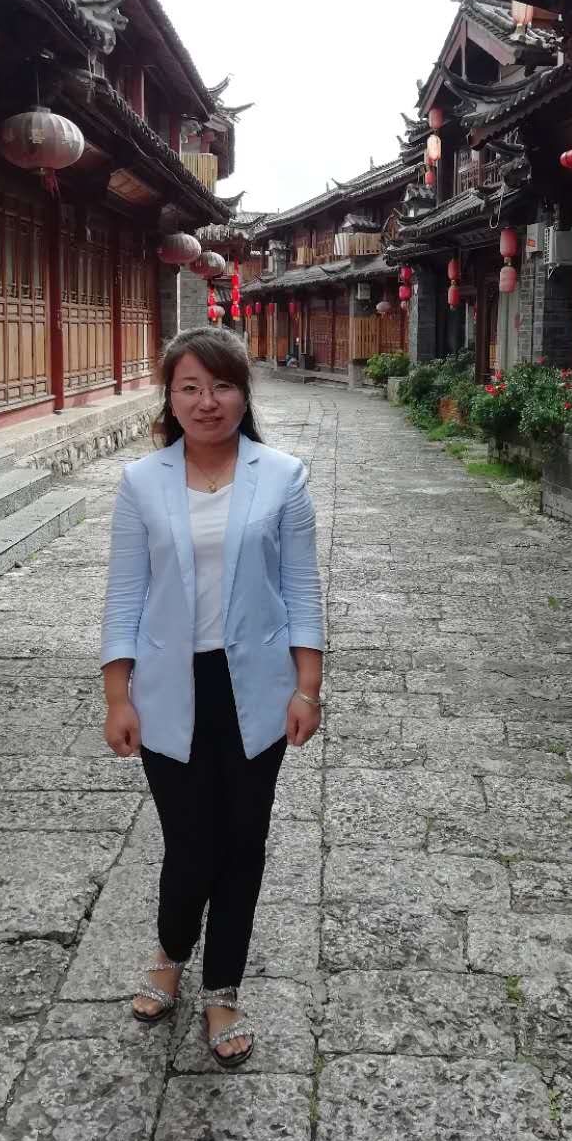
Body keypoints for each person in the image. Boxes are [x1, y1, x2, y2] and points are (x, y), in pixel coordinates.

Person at [100, 327, 324, 1068]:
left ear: (243, 394)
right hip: (170, 687)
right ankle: (171, 950)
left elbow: (301, 590)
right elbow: (124, 598)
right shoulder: (141, 483)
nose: (207, 402)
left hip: (255, 687)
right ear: (169, 398)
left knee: (243, 842)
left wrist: (309, 687)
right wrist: (117, 697)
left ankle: (222, 985)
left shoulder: (282, 477)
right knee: (191, 841)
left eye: (222, 385)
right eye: (190, 387)